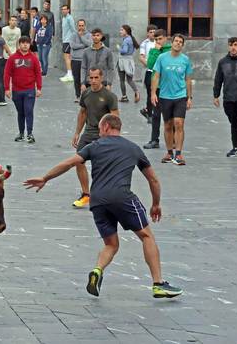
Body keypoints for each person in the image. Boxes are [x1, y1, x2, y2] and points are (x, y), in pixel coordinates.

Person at [23, 113, 183, 299]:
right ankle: (158, 284)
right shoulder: (133, 148)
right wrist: (155, 204)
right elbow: (153, 180)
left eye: (99, 129)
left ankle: (97, 270)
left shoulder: (94, 147)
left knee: (111, 244)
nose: (99, 133)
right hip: (122, 197)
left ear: (106, 126)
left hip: (97, 201)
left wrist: (45, 178)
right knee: (147, 236)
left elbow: (69, 163)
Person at [72, 68, 119, 209]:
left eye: (96, 78)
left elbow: (115, 118)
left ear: (101, 78)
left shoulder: (109, 96)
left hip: (103, 135)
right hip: (88, 133)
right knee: (78, 161)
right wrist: (77, 133)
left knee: (102, 166)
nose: (93, 81)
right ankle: (86, 194)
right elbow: (82, 113)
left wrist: (113, 137)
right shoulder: (85, 93)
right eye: (91, 78)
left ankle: (103, 194)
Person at [151, 34, 193, 166]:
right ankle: (169, 152)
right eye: (176, 41)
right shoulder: (162, 58)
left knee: (179, 123)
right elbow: (156, 76)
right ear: (172, 42)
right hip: (164, 96)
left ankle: (178, 154)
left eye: (181, 42)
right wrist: (153, 93)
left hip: (180, 96)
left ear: (182, 45)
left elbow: (188, 79)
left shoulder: (185, 60)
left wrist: (189, 97)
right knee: (168, 125)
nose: (178, 43)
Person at [4, 36, 42, 143]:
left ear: (30, 45)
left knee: (29, 111)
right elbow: (7, 74)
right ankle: (21, 133)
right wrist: (7, 88)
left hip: (29, 90)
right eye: (23, 43)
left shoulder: (34, 58)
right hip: (17, 90)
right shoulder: (13, 58)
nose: (25, 45)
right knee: (20, 112)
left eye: (27, 43)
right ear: (19, 44)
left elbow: (38, 73)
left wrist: (39, 88)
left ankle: (29, 134)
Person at [143, 30, 171, 149]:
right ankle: (154, 140)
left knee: (170, 115)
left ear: (165, 38)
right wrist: (155, 50)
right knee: (156, 114)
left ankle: (172, 140)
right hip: (157, 87)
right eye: (156, 40)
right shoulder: (154, 50)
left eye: (160, 39)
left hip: (169, 87)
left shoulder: (170, 50)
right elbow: (150, 65)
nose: (158, 41)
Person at [69, 19, 92, 101]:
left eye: (82, 25)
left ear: (85, 26)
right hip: (75, 60)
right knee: (77, 78)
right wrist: (83, 45)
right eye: (79, 25)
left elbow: (90, 44)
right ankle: (78, 96)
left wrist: (82, 37)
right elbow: (72, 45)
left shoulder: (89, 35)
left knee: (87, 79)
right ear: (77, 26)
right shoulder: (73, 35)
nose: (81, 27)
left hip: (86, 60)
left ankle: (86, 96)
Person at [116, 25, 140, 103]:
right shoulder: (130, 39)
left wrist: (119, 48)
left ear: (126, 31)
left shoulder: (126, 40)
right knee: (129, 80)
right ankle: (136, 91)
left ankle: (124, 96)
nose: (120, 31)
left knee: (122, 80)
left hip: (123, 61)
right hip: (130, 60)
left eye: (122, 30)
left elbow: (124, 51)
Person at [138, 25, 157, 122]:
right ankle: (150, 115)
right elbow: (141, 57)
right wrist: (150, 65)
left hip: (158, 72)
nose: (152, 34)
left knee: (158, 93)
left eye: (154, 32)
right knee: (150, 93)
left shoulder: (159, 43)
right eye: (150, 32)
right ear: (147, 33)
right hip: (149, 71)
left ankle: (149, 110)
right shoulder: (144, 44)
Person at [60, 4, 76, 82]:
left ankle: (70, 74)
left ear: (68, 10)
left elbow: (73, 29)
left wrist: (73, 40)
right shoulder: (64, 18)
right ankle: (69, 73)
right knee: (66, 57)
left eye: (65, 9)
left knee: (67, 57)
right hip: (64, 40)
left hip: (68, 40)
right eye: (62, 9)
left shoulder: (70, 18)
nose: (63, 10)